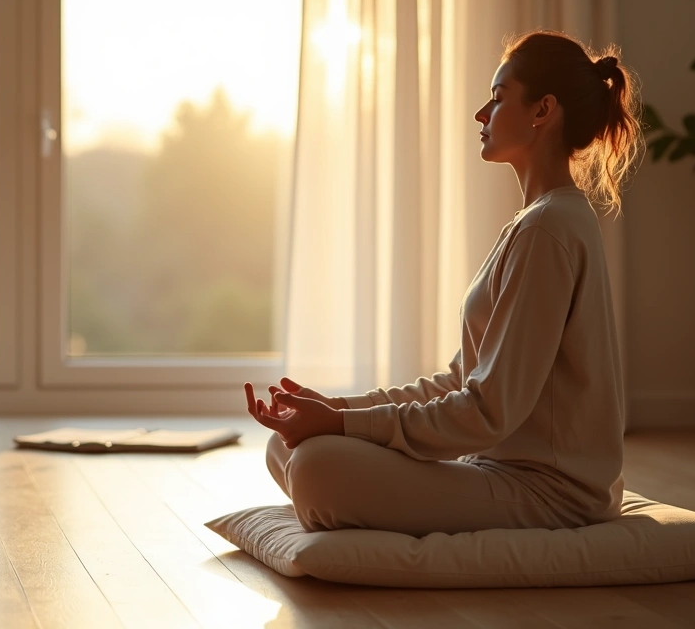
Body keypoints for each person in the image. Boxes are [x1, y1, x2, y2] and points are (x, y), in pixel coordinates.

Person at [244, 30, 642, 538]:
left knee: (315, 468)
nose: (481, 114)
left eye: (498, 99)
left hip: (552, 495)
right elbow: (460, 382)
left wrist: (341, 427)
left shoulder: (549, 230)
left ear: (542, 111)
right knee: (288, 446)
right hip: (497, 469)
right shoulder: (536, 222)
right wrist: (335, 410)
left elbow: (486, 411)